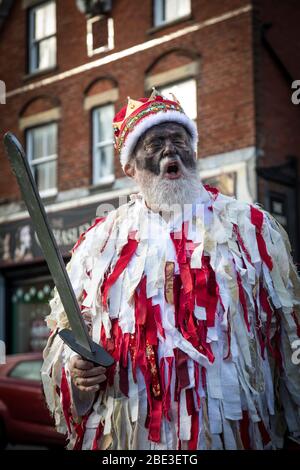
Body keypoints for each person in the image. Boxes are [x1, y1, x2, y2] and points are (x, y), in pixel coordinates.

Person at [41, 90, 300, 450]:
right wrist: (76, 370)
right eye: (154, 142)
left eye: (180, 139)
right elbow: (67, 333)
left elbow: (289, 333)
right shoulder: (98, 245)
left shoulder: (251, 229)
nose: (169, 149)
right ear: (129, 167)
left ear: (193, 152)